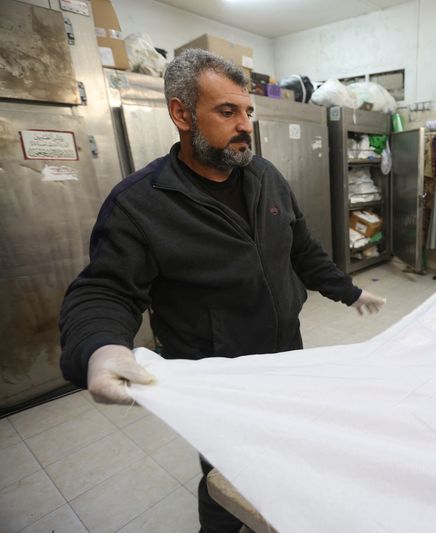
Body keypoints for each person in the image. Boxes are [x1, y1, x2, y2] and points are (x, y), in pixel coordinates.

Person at [58, 49, 385, 532]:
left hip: (282, 353)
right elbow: (105, 290)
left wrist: (347, 291)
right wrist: (101, 347)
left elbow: (301, 248)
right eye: (227, 111)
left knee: (285, 446)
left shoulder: (264, 176)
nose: (246, 125)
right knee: (227, 472)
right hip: (216, 373)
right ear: (181, 114)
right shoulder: (141, 204)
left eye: (248, 111)